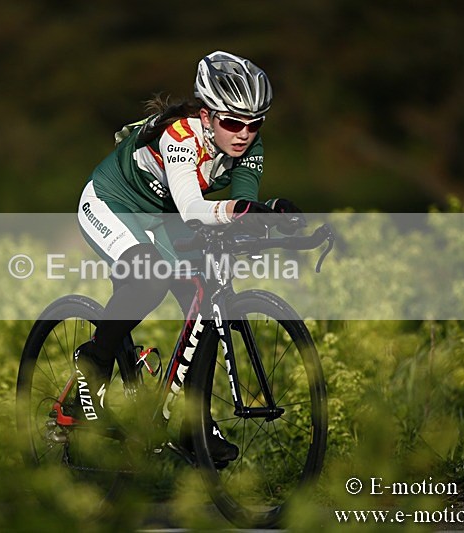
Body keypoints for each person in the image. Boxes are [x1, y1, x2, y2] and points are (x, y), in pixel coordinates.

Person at [74, 51, 302, 463]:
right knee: (148, 278)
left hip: (167, 213)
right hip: (113, 203)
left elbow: (241, 205)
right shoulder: (179, 136)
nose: (244, 134)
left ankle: (192, 422)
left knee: (205, 300)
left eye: (255, 124)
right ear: (207, 115)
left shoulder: (248, 144)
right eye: (232, 123)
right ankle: (93, 361)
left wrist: (272, 216)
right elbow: (194, 207)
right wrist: (237, 212)